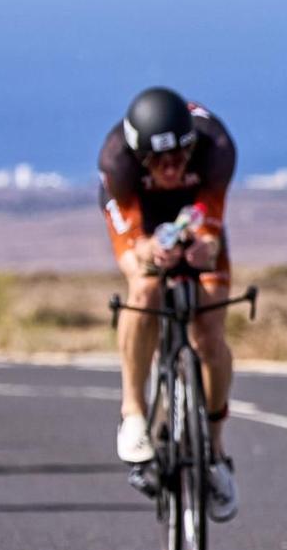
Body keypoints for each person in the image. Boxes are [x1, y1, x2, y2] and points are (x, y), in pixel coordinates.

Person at [98, 86, 239, 522]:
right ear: (141, 158)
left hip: (193, 217)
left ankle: (213, 450)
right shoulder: (117, 163)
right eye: (161, 162)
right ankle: (133, 412)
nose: (173, 168)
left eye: (180, 157)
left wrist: (206, 245)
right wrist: (146, 252)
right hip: (142, 217)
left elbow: (212, 224)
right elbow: (131, 242)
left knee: (210, 331)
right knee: (143, 292)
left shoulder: (216, 147)